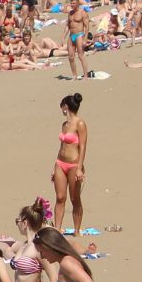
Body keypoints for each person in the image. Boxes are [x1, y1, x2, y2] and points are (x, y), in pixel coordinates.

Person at [52, 92, 89, 233]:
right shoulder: (64, 124)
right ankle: (57, 229)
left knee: (75, 198)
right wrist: (54, 166)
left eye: (61, 107)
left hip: (74, 164)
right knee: (60, 197)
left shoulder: (80, 123)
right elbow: (62, 146)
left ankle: (77, 230)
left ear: (65, 106)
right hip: (60, 163)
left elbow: (83, 146)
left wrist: (79, 168)